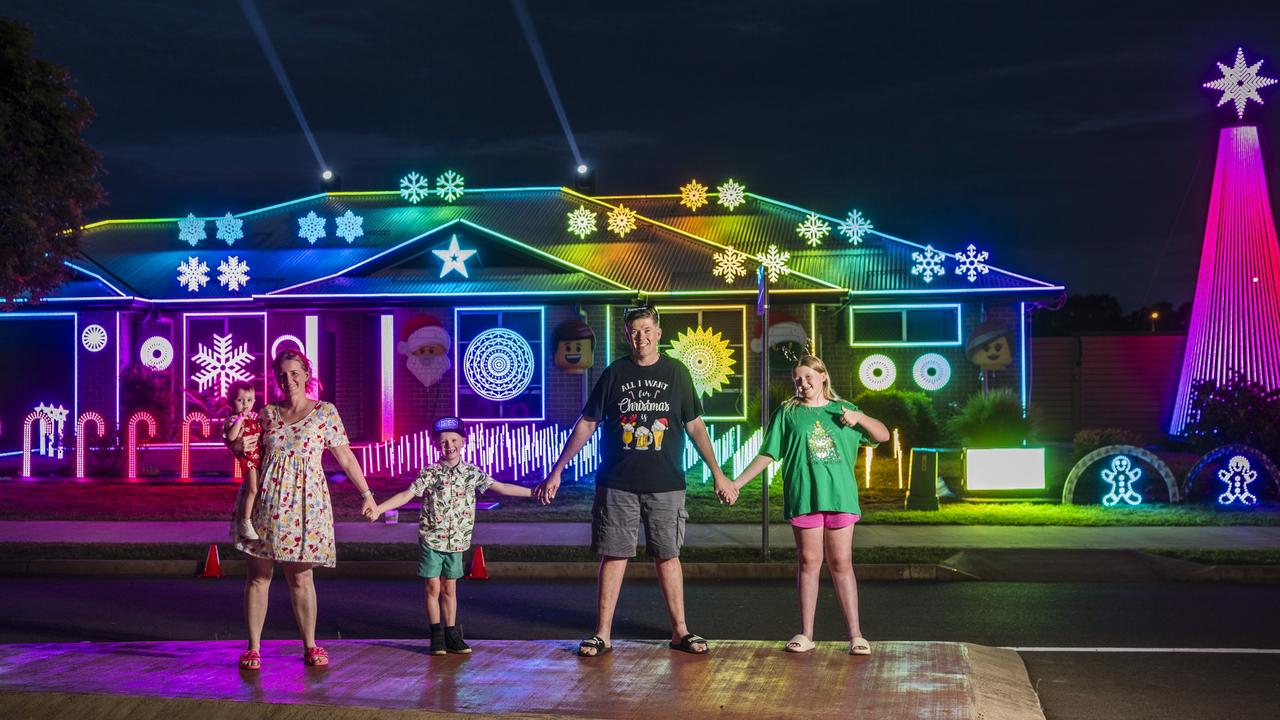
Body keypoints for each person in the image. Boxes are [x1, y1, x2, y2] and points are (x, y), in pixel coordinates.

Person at [535, 305, 738, 657]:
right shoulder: (615, 374)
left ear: (658, 333)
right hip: (617, 483)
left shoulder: (677, 373)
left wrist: (718, 473)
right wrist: (557, 470)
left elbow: (694, 426)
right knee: (613, 556)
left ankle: (680, 631)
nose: (641, 337)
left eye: (647, 330)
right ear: (627, 336)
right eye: (634, 332)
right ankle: (602, 634)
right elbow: (587, 422)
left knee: (668, 556)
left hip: (666, 485)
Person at [730, 353, 889, 656]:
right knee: (809, 564)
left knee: (842, 563)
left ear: (823, 376)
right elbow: (768, 454)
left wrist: (861, 418)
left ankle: (856, 635)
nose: (803, 384)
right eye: (798, 380)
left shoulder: (844, 411)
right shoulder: (788, 413)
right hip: (804, 497)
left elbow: (882, 434)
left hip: (840, 498)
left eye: (808, 378)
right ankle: (806, 633)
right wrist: (737, 483)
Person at [231, 349, 377, 670]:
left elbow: (346, 458)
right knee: (259, 577)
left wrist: (366, 493)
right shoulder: (266, 414)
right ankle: (253, 647)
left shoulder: (325, 413)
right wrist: (236, 444)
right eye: (282, 375)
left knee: (301, 577)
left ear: (306, 374)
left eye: (294, 373)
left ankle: (310, 644)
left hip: (305, 505)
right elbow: (242, 445)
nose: (288, 380)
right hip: (266, 503)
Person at [364, 415, 533, 655]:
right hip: (432, 539)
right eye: (443, 441)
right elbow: (407, 494)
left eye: (454, 440)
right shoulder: (430, 473)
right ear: (435, 445)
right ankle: (436, 635)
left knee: (450, 589)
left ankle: (452, 633)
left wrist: (534, 492)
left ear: (463, 442)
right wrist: (379, 509)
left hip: (457, 542)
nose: (449, 445)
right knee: (432, 587)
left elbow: (503, 487)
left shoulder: (472, 473)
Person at [224, 380, 262, 541]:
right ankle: (245, 522)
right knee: (253, 489)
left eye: (249, 400)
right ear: (231, 401)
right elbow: (231, 437)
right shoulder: (233, 419)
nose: (245, 404)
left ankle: (253, 517)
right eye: (240, 400)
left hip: (259, 457)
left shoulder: (254, 417)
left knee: (259, 490)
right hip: (249, 459)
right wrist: (240, 418)